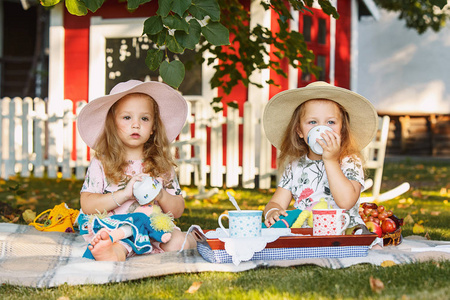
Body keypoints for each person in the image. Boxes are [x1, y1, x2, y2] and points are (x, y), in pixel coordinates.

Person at [76, 79, 196, 261]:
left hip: (153, 231)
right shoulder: (102, 162)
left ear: (154, 127)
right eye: (127, 117)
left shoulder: (161, 164)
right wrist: (124, 194)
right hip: (116, 230)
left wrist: (161, 195)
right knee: (116, 246)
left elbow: (178, 209)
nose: (136, 124)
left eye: (144, 118)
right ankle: (110, 252)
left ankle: (187, 240)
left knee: (182, 242)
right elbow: (87, 204)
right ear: (112, 123)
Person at [262, 81, 378, 229]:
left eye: (330, 122)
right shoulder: (295, 166)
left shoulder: (350, 161)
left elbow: (346, 201)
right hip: (306, 235)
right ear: (299, 131)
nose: (322, 129)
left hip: (343, 233)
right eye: (312, 122)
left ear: (341, 130)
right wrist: (273, 211)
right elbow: (276, 202)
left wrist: (331, 160)